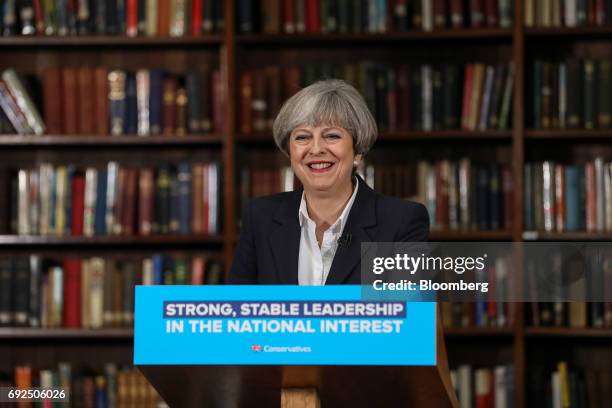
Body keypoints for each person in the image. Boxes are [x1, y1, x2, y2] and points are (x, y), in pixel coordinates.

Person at [230, 79, 429, 285]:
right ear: (290, 152)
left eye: (332, 135)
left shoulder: (401, 222)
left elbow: (411, 313)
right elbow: (237, 310)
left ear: (357, 151)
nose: (316, 149)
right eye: (302, 137)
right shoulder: (260, 217)